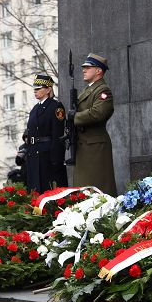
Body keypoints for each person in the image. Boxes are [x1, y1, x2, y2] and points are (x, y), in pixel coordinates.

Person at [67, 53, 117, 196]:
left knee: (97, 189)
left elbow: (98, 113)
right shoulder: (88, 90)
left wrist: (75, 116)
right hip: (84, 145)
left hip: (95, 146)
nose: (84, 70)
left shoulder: (103, 91)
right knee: (84, 190)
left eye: (88, 67)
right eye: (84, 67)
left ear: (98, 71)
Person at [24, 75, 68, 193]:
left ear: (48, 89)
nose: (35, 91)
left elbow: (57, 135)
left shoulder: (55, 107)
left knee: (48, 191)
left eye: (39, 88)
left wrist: (56, 160)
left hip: (47, 155)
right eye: (35, 89)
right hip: (34, 154)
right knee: (35, 192)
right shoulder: (34, 109)